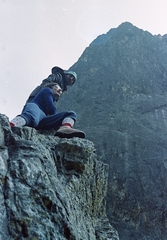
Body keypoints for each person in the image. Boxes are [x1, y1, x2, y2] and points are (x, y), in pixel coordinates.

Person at [9, 83, 85, 138]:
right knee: (32, 117)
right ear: (51, 88)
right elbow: (50, 108)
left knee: (70, 114)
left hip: (42, 117)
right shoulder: (47, 90)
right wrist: (55, 116)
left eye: (61, 90)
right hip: (35, 107)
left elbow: (52, 110)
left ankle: (66, 128)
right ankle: (9, 125)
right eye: (57, 87)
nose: (60, 90)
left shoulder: (53, 101)